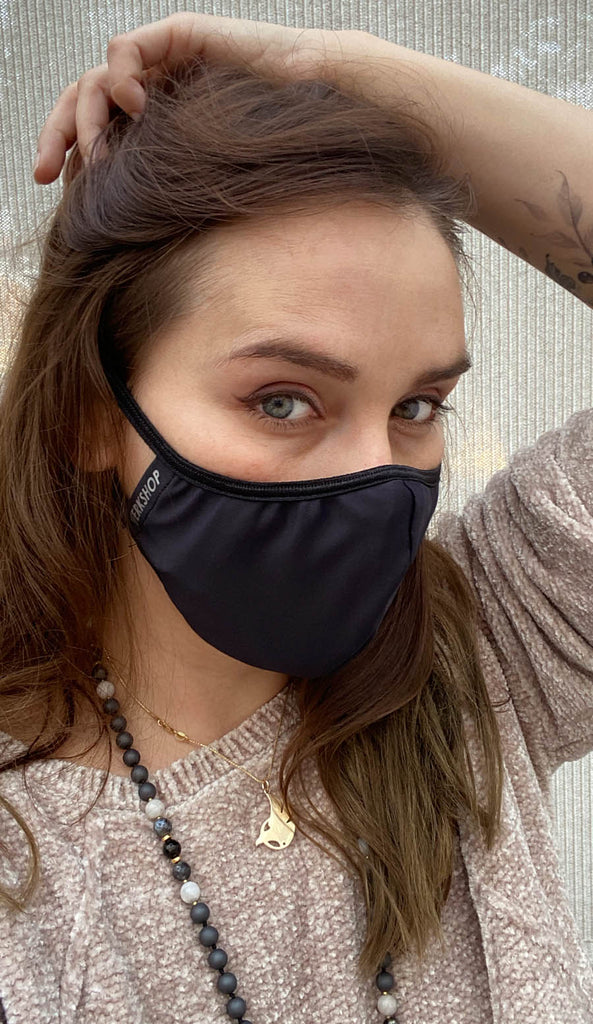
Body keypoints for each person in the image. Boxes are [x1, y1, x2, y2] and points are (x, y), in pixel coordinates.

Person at [1, 11, 592, 1023]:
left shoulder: (481, 645)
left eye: (415, 407)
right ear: (95, 412)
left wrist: (343, 74)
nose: (374, 471)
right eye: (282, 399)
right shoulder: (28, 865)